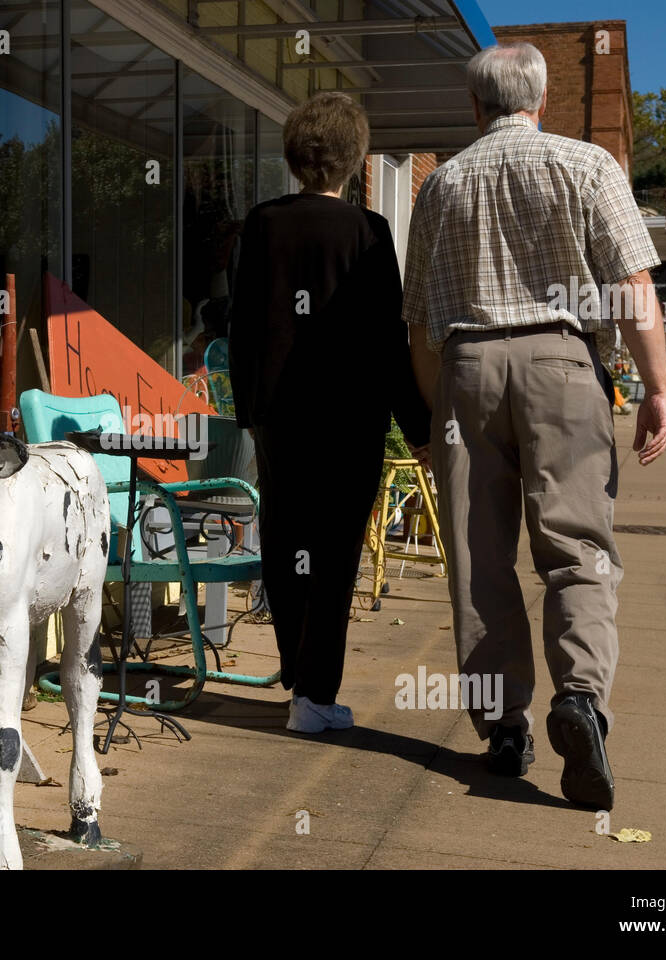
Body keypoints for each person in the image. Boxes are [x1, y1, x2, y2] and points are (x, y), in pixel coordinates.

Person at [402, 43, 666, 808]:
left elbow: (420, 323)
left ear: (474, 106)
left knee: (479, 557)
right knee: (576, 547)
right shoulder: (588, 166)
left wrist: (436, 413)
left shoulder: (441, 185)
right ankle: (580, 699)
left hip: (467, 368)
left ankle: (504, 726)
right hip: (563, 359)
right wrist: (656, 386)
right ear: (542, 103)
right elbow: (631, 283)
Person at [228, 91, 431, 734]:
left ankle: (298, 677)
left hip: (280, 415)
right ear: (354, 160)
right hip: (350, 415)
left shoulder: (262, 223)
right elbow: (387, 341)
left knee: (287, 542)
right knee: (335, 553)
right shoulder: (370, 232)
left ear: (295, 158)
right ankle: (315, 693)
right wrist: (420, 425)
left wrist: (246, 406)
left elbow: (243, 324)